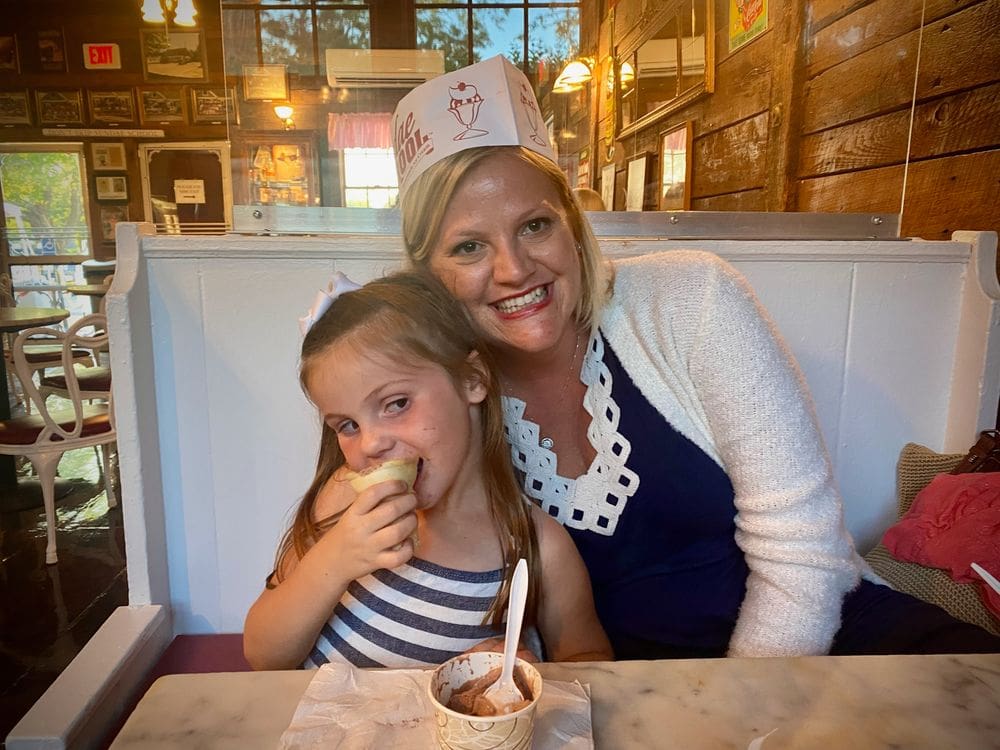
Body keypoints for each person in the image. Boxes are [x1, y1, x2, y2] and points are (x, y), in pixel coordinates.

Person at [389, 55, 1000, 659]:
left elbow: (805, 550)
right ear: (427, 273)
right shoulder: (433, 396)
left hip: (825, 644)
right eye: (469, 246)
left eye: (535, 226)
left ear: (574, 225)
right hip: (634, 698)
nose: (515, 269)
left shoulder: (693, 298)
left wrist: (739, 717)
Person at [243, 270, 612, 670]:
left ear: (472, 380)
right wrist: (336, 559)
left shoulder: (536, 547)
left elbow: (588, 660)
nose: (370, 444)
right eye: (347, 425)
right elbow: (264, 657)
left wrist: (525, 670)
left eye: (396, 403)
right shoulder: (342, 499)